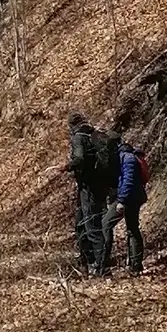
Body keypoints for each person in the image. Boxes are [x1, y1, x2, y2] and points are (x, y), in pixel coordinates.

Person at [67, 114, 119, 274]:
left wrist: (67, 167)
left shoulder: (78, 138)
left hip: (88, 187)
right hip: (100, 186)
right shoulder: (95, 135)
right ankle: (87, 261)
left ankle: (102, 267)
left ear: (72, 126)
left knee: (91, 225)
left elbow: (80, 159)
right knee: (81, 223)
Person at [103, 138, 148, 277]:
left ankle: (104, 261)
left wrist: (121, 200)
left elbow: (128, 180)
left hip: (128, 199)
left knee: (105, 224)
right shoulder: (132, 157)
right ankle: (135, 265)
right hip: (135, 197)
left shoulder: (127, 159)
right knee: (132, 229)